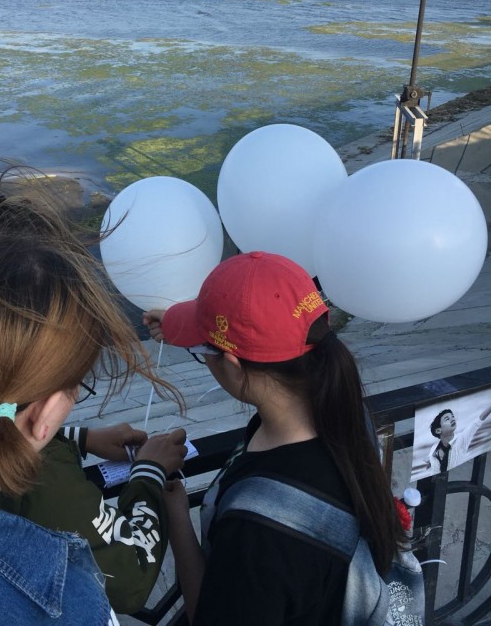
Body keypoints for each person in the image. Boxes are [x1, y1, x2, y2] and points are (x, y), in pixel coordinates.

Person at [0, 159, 187, 615]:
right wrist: (147, 473)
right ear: (43, 413)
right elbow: (127, 582)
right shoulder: (63, 596)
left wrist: (80, 438)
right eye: (76, 386)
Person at [143, 251, 407, 626]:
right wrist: (178, 325)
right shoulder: (344, 413)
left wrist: (176, 515)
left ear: (233, 366)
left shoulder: (258, 531)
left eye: (203, 353)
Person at [426, 403, 491, 474]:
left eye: (452, 416)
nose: (452, 419)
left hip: (457, 474)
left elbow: (478, 421)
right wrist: (430, 463)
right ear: (438, 430)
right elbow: (431, 462)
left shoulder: (462, 438)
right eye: (447, 419)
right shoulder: (434, 448)